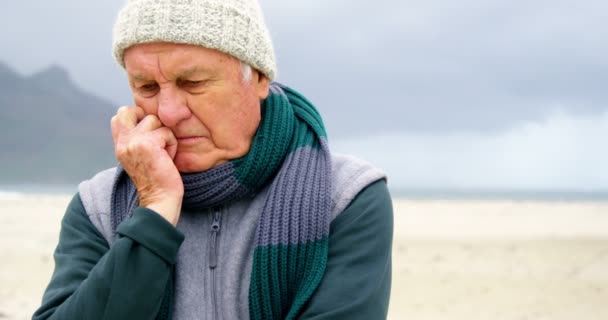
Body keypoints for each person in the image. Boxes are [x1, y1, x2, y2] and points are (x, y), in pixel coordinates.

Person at [33, 0, 393, 319]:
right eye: (146, 87)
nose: (169, 111)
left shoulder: (346, 199)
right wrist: (154, 212)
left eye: (193, 83)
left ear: (259, 77)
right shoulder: (98, 207)